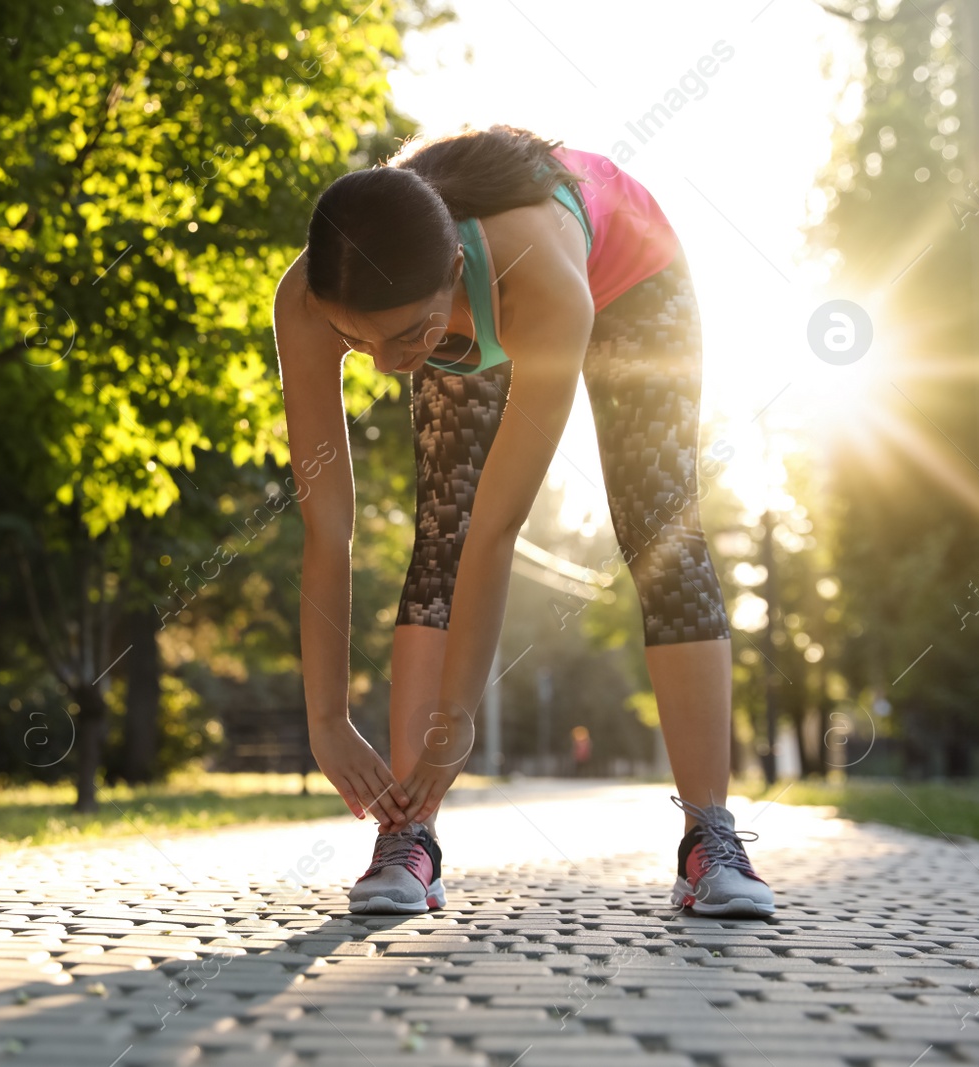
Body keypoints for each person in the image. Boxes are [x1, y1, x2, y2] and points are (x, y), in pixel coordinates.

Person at [270, 125, 774, 919]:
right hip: (482, 295)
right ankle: (412, 837)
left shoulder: (538, 280)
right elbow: (326, 528)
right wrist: (327, 722)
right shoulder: (312, 293)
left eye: (406, 336)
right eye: (354, 340)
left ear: (456, 272)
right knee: (440, 528)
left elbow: (498, 530)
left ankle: (710, 836)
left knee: (658, 526)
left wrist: (459, 718)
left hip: (632, 277)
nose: (385, 364)